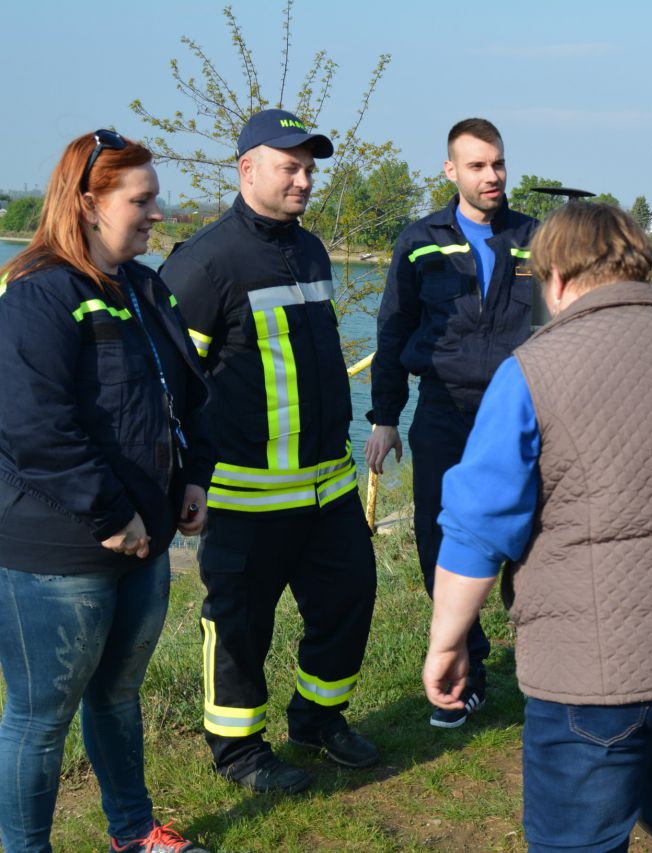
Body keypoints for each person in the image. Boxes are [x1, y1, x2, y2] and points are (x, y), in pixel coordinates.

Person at [423, 202, 652, 851]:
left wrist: (446, 641)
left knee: (580, 841)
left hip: (594, 673)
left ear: (557, 279)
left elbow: (478, 526)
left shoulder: (531, 371)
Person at [0, 131, 214, 852]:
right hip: (58, 552)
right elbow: (34, 426)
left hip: (144, 540)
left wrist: (194, 475)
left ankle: (133, 832)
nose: (158, 214)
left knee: (119, 696)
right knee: (40, 717)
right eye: (142, 201)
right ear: (89, 204)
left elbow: (189, 394)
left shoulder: (145, 288)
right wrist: (111, 513)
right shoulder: (38, 293)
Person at [161, 109, 378, 794]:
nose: (304, 179)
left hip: (330, 486)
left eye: (310, 168)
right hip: (245, 495)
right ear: (247, 168)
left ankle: (317, 718)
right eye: (290, 166)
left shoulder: (311, 250)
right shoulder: (202, 263)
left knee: (349, 600)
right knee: (240, 627)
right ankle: (238, 751)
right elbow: (170, 386)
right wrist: (182, 481)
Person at [366, 117, 539, 728]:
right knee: (437, 540)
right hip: (442, 410)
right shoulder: (420, 241)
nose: (492, 176)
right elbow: (392, 329)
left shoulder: (535, 238)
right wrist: (385, 417)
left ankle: (549, 667)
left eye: (498, 163)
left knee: (535, 540)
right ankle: (465, 673)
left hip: (520, 412)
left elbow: (563, 328)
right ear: (450, 171)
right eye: (477, 165)